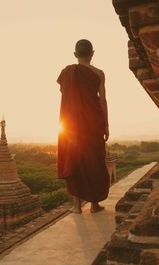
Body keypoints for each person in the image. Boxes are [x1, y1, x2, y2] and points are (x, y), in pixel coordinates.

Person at [56, 39, 110, 214]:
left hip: (71, 125)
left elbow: (66, 95)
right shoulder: (99, 73)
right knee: (94, 160)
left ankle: (76, 206)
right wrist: (106, 124)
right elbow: (102, 100)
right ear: (92, 53)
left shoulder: (67, 73)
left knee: (75, 160)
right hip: (93, 122)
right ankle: (94, 205)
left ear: (74, 54)